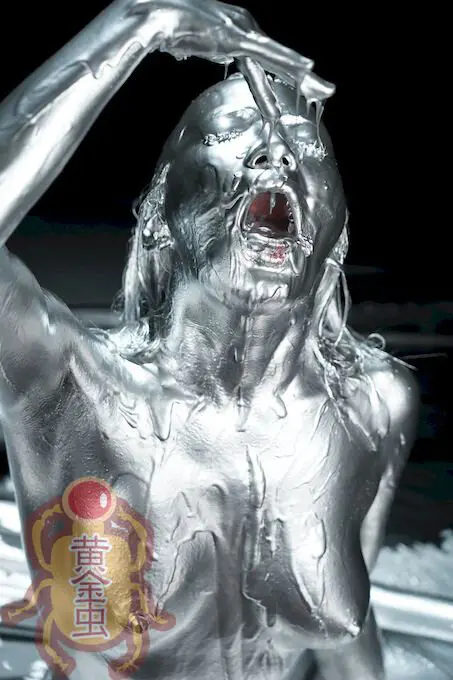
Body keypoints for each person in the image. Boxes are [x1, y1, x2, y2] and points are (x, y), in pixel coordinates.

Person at [0, 1, 419, 678]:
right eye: (228, 135)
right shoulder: (70, 387)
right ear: (159, 216)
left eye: (304, 145)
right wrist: (135, 25)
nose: (276, 152)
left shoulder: (373, 407)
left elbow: (347, 640)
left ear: (336, 233)